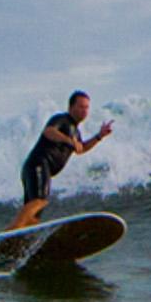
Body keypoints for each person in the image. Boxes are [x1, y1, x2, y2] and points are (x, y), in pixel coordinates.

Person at [12, 91, 112, 228]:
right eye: (81, 107)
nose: (85, 111)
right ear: (71, 107)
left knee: (35, 214)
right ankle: (12, 230)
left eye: (87, 107)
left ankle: (20, 239)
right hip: (38, 164)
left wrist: (99, 136)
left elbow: (81, 149)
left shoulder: (76, 132)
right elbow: (49, 132)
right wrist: (69, 141)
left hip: (38, 167)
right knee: (39, 200)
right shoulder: (62, 119)